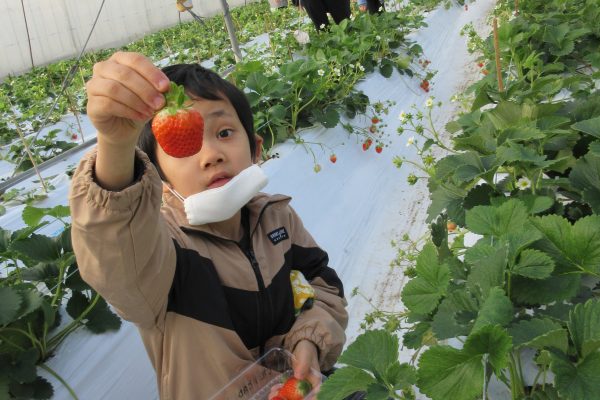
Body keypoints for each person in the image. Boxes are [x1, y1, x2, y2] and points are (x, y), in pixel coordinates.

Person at [69, 51, 348, 399]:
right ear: (156, 177)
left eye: (225, 132)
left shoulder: (278, 218)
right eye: (186, 144)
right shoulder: (163, 252)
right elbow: (117, 268)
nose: (211, 154)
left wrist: (309, 340)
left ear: (256, 148)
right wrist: (114, 145)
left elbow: (322, 283)